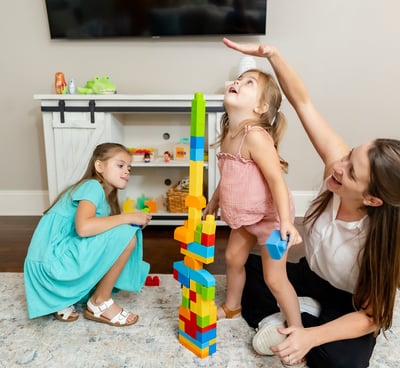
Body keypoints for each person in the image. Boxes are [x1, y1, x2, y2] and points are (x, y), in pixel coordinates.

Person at [223, 37, 400, 368]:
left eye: (350, 172)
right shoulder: (337, 166)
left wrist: (311, 337)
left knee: (338, 362)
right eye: (348, 155)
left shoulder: (385, 242)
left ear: (372, 199)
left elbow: (374, 316)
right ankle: (298, 313)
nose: (338, 165)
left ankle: (302, 324)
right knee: (245, 269)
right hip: (312, 277)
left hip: (350, 304)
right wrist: (272, 55)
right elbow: (302, 102)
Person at [203, 55, 303, 332]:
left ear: (261, 107)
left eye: (248, 83)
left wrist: (285, 222)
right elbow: (230, 176)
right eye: (239, 79)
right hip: (247, 219)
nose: (237, 82)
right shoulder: (229, 133)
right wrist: (214, 202)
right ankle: (232, 306)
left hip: (272, 224)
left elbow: (276, 180)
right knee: (234, 259)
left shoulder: (255, 137)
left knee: (275, 278)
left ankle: (297, 328)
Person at [24, 142, 152, 326]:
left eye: (129, 168)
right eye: (120, 165)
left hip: (51, 262)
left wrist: (129, 221)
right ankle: (99, 302)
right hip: (50, 265)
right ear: (99, 166)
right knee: (126, 236)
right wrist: (127, 218)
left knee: (124, 233)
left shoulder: (104, 197)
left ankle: (63, 298)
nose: (126, 171)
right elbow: (83, 228)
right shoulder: (92, 186)